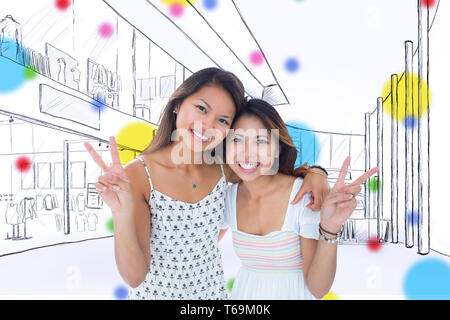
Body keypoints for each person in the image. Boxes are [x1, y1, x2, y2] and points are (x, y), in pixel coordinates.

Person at [84, 68, 330, 300]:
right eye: (202, 108)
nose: (208, 126)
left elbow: (267, 169)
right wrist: (121, 210)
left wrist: (317, 173)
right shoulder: (139, 176)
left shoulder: (223, 168)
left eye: (223, 120)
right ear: (177, 104)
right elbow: (135, 277)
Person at [223, 98, 378, 299]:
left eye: (261, 141)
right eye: (236, 139)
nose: (247, 153)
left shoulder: (303, 196)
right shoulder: (227, 197)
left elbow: (317, 289)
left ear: (278, 148)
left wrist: (330, 228)